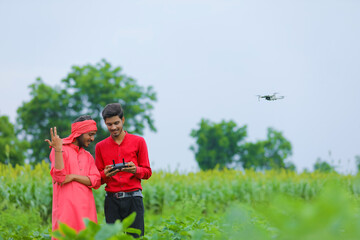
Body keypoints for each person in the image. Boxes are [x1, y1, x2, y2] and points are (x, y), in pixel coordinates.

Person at [95, 103, 152, 238]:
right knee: (113, 237)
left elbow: (147, 172)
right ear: (105, 123)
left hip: (134, 199)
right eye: (109, 124)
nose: (113, 127)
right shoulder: (100, 147)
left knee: (135, 237)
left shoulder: (139, 141)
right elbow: (98, 178)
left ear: (123, 120)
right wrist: (106, 174)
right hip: (111, 201)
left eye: (116, 123)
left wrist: (135, 170)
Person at [45, 115, 101, 237]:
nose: (92, 138)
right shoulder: (59, 149)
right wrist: (58, 149)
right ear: (80, 133)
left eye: (93, 135)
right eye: (90, 134)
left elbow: (96, 181)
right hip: (66, 211)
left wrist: (74, 177)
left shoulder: (88, 156)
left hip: (87, 212)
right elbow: (59, 177)